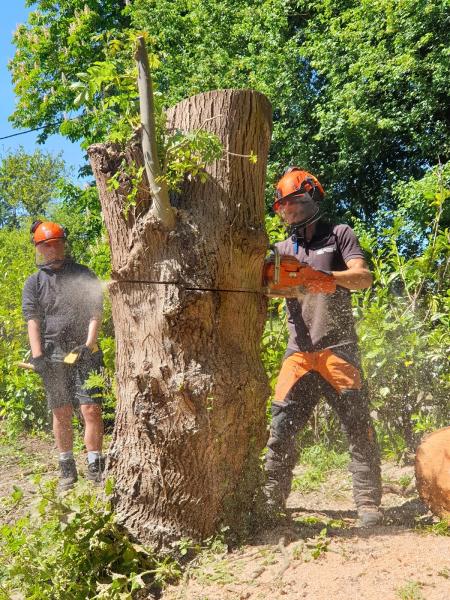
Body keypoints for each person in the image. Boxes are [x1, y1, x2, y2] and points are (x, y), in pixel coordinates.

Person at [264, 168, 382, 527]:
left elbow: (363, 278)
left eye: (297, 203)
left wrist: (322, 278)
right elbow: (268, 289)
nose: (291, 212)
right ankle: (271, 500)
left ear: (313, 197)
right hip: (298, 351)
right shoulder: (281, 249)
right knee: (280, 430)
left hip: (338, 348)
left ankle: (368, 503)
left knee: (358, 426)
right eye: (285, 207)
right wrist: (282, 282)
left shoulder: (339, 234)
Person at [22, 220, 105, 491]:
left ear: (64, 245)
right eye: (46, 247)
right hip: (52, 353)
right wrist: (38, 357)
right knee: (61, 411)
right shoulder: (34, 282)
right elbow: (32, 319)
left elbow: (95, 311)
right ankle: (67, 467)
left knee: (91, 409)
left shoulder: (83, 274)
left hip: (85, 350)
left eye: (56, 245)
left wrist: (89, 343)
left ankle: (95, 464)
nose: (52, 251)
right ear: (39, 249)